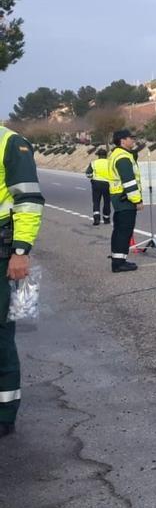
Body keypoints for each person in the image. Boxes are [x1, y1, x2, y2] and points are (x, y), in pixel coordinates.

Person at [0, 125, 44, 438]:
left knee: (0, 333)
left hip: (2, 253)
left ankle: (5, 412)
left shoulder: (10, 142)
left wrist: (20, 251)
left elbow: (29, 199)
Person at [108, 129, 142, 273]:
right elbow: (129, 182)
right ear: (122, 140)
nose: (133, 140)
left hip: (119, 198)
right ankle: (119, 263)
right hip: (125, 199)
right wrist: (137, 200)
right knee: (124, 231)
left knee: (119, 231)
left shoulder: (116, 155)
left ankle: (118, 259)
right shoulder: (122, 157)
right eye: (131, 138)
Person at [85, 147, 112, 226]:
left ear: (98, 155)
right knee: (107, 202)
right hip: (107, 184)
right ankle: (106, 219)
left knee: (96, 201)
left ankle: (96, 219)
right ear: (106, 155)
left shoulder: (94, 163)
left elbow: (88, 174)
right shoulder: (110, 163)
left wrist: (92, 178)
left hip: (96, 184)